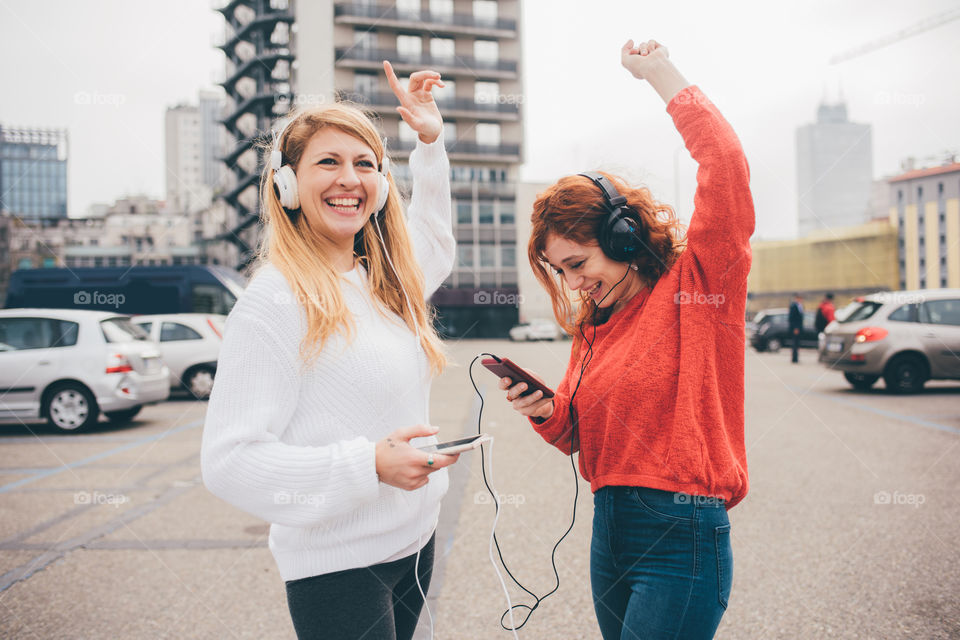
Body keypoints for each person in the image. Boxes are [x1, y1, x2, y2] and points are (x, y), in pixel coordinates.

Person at [498, 40, 753, 639]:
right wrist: (542, 410)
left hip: (681, 534)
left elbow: (727, 162)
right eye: (560, 270)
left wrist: (659, 74)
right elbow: (575, 435)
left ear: (621, 235)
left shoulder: (701, 284)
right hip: (607, 534)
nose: (574, 281)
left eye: (578, 261)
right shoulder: (595, 325)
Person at [201, 61, 459, 640]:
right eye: (328, 162)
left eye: (364, 164)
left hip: (415, 542)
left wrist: (429, 142)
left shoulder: (386, 278)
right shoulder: (274, 300)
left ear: (382, 184)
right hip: (339, 567)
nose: (350, 179)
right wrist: (368, 464)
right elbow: (228, 462)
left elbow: (435, 235)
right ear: (288, 184)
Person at [789, 293, 804, 363]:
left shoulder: (800, 306)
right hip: (795, 328)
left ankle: (796, 357)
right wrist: (795, 328)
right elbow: (792, 318)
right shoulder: (793, 306)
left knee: (797, 343)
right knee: (795, 343)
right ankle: (794, 358)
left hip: (799, 327)